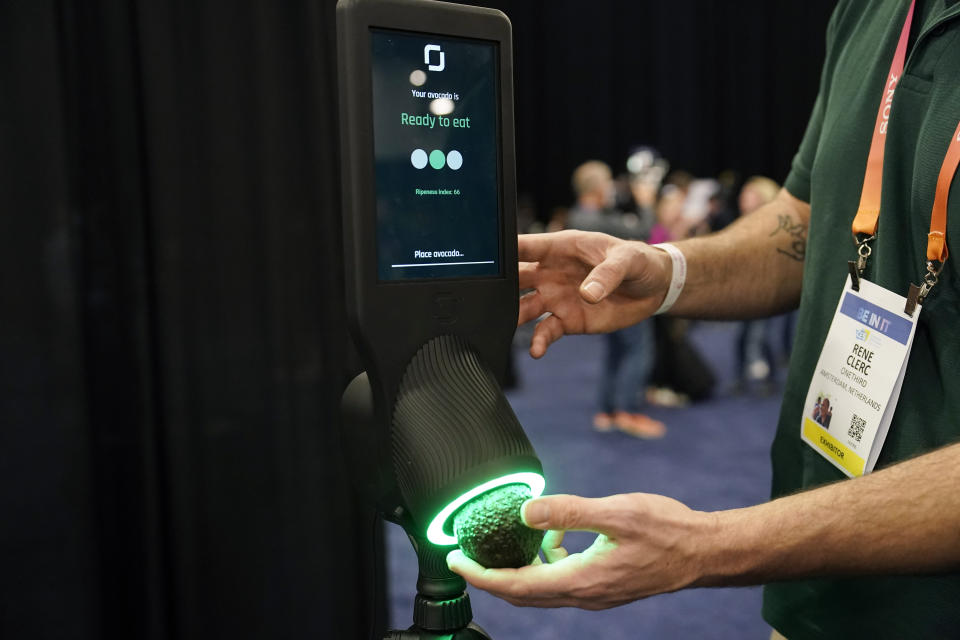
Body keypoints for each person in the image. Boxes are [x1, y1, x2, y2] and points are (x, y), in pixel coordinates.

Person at [448, 2, 960, 636]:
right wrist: (665, 273)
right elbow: (806, 219)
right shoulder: (871, 11)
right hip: (812, 600)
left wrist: (708, 546)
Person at [566, 161, 664, 438]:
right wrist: (646, 203)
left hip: (602, 299)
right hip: (622, 298)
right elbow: (642, 233)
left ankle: (607, 411)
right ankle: (628, 412)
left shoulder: (579, 216)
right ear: (598, 187)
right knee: (638, 351)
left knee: (615, 353)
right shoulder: (597, 221)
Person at [735, 176, 781, 394]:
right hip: (743, 291)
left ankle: (771, 379)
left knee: (763, 337)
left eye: (749, 194)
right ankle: (740, 379)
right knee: (741, 336)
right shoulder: (740, 223)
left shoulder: (772, 224)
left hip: (767, 291)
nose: (743, 199)